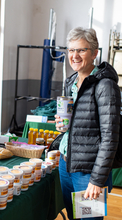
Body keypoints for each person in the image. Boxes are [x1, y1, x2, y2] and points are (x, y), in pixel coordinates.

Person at [55, 27, 121, 220]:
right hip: (66, 163)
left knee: (89, 218)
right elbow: (78, 123)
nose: (75, 55)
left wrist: (97, 180)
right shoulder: (71, 81)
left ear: (94, 53)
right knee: (73, 214)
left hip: (88, 171)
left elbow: (110, 137)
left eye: (81, 50)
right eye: (71, 50)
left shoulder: (105, 86)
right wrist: (63, 127)